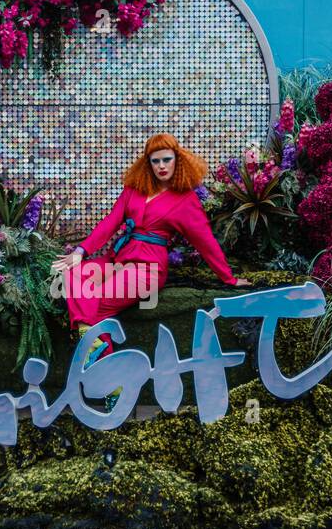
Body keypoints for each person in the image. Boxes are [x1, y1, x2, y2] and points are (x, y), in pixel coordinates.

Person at [52, 133, 250, 374]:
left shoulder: (185, 200)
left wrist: (228, 278)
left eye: (167, 159)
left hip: (147, 269)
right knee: (72, 275)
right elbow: (110, 222)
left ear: (178, 160)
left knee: (98, 303)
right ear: (148, 163)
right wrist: (81, 252)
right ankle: (93, 345)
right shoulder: (133, 190)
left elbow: (205, 241)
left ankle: (105, 372)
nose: (162, 166)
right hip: (118, 259)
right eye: (155, 161)